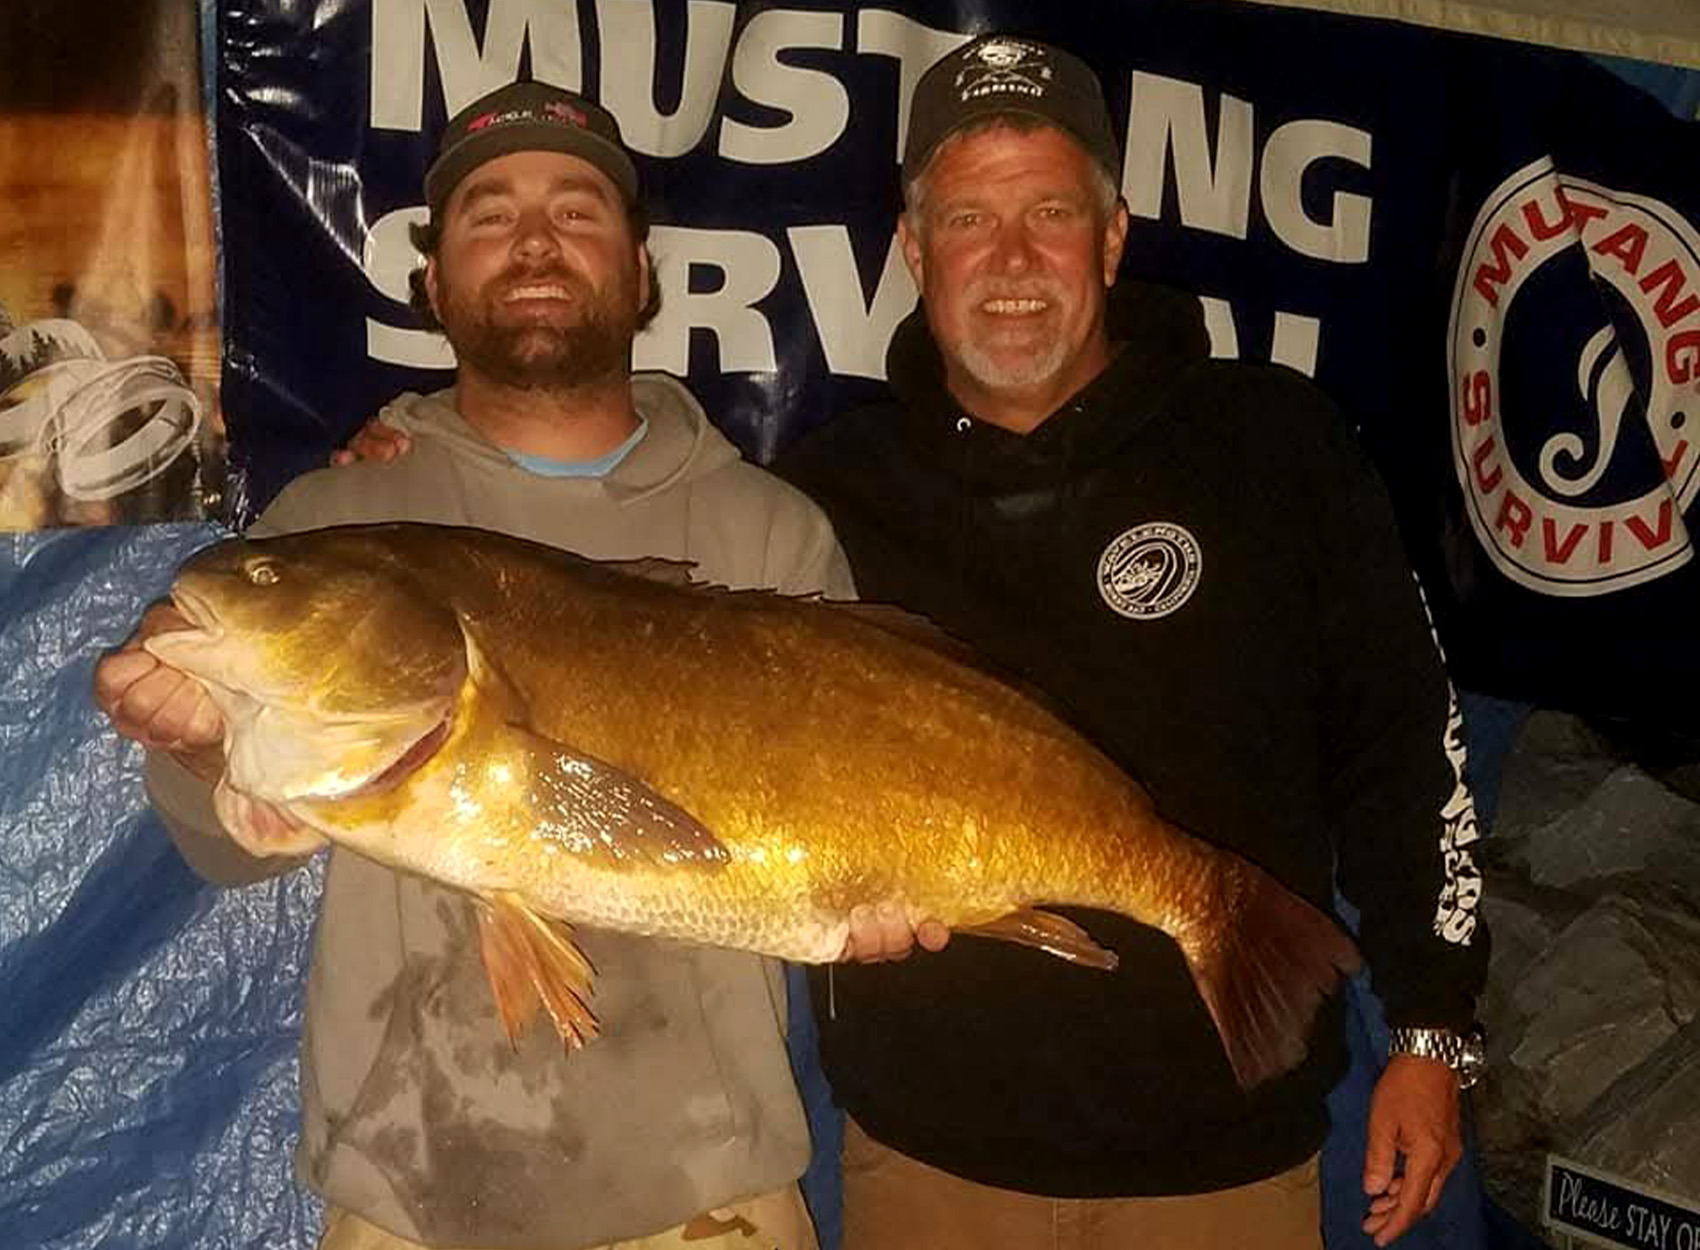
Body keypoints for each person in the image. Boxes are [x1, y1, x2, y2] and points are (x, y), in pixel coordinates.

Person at [93, 80, 857, 1250]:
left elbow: (856, 805)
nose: (535, 239)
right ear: (434, 281)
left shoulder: (772, 530)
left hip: (712, 1198)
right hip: (408, 1194)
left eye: (578, 209)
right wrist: (201, 742)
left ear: (642, 273)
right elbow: (225, 850)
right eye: (488, 214)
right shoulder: (337, 512)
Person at [772, 35, 1490, 1250]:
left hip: (1220, 1168)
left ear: (1110, 238)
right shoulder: (831, 488)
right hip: (920, 1160)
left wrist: (1429, 1032)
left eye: (1049, 211)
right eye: (966, 218)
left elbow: (1402, 745)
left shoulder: (1276, 442)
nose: (1009, 260)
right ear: (910, 249)